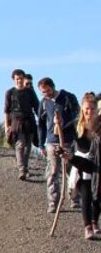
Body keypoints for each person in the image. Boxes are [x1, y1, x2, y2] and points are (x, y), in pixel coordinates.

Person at [37, 77, 81, 214]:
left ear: (53, 87)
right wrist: (41, 144)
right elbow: (41, 124)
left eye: (48, 91)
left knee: (71, 170)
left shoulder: (68, 97)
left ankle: (74, 198)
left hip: (68, 140)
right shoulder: (44, 102)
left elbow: (78, 117)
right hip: (51, 141)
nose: (46, 94)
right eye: (43, 92)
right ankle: (53, 202)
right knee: (53, 172)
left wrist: (63, 126)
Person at [63, 93, 100, 240]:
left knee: (97, 197)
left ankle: (95, 222)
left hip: (97, 164)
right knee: (86, 195)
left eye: (92, 109)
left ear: (96, 110)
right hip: (80, 162)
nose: (89, 112)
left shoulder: (99, 125)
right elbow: (58, 131)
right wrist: (57, 124)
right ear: (82, 110)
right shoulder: (77, 124)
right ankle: (88, 227)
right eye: (86, 109)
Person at [4, 69, 40, 180]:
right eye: (17, 79)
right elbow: (6, 110)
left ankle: (25, 167)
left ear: (23, 78)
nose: (19, 81)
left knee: (28, 146)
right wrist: (7, 125)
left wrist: (42, 122)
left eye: (21, 78)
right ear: (14, 80)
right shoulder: (9, 92)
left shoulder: (29, 92)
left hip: (29, 120)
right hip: (16, 121)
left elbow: (37, 107)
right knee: (20, 144)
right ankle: (21, 170)